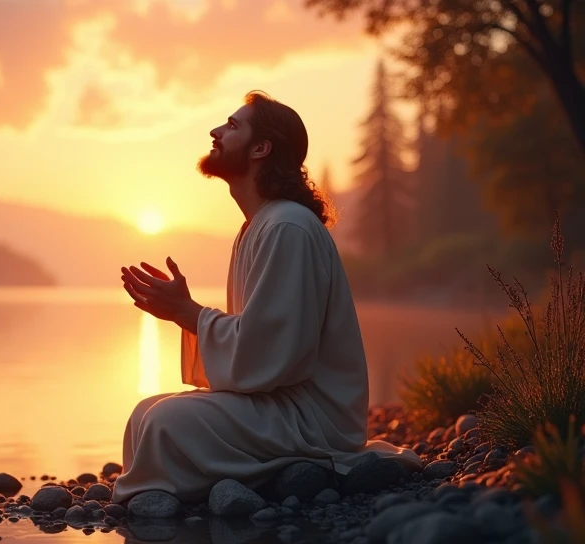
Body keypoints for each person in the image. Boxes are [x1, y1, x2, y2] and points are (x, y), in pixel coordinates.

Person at [113, 91, 422, 504]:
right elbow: (261, 347)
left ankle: (212, 493)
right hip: (279, 402)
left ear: (261, 148)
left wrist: (188, 313)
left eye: (232, 125)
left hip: (312, 418)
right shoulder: (258, 227)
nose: (215, 132)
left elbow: (276, 355)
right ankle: (196, 489)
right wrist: (184, 314)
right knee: (143, 415)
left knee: (164, 423)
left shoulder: (287, 228)